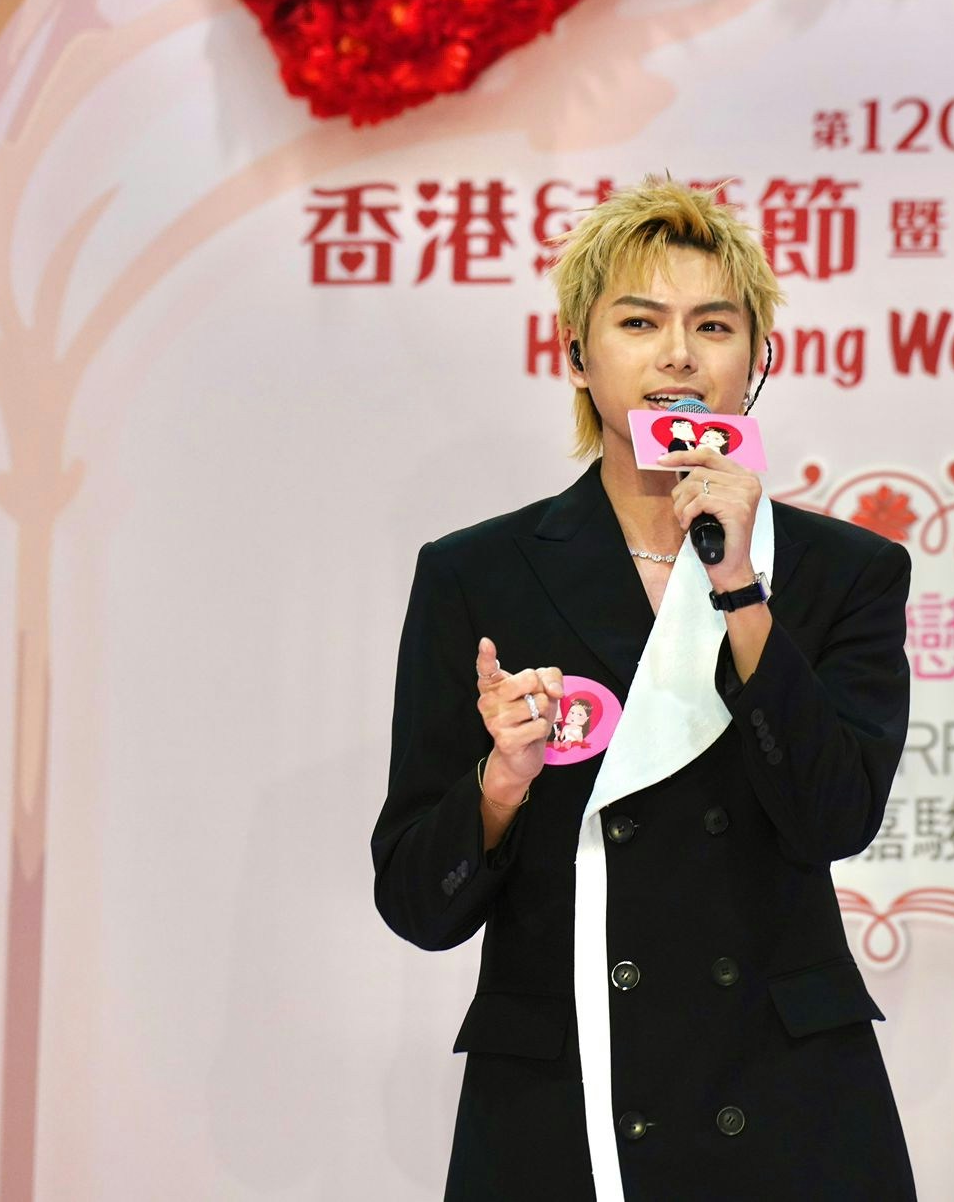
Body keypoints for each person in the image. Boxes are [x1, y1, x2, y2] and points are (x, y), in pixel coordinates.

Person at [370, 177, 916, 1201]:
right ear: (577, 353)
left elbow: (835, 817)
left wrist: (739, 586)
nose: (677, 355)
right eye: (638, 322)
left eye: (713, 325)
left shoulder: (842, 572)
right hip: (563, 1092)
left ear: (756, 357)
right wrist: (500, 784)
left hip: (782, 1093)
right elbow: (415, 901)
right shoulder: (477, 574)